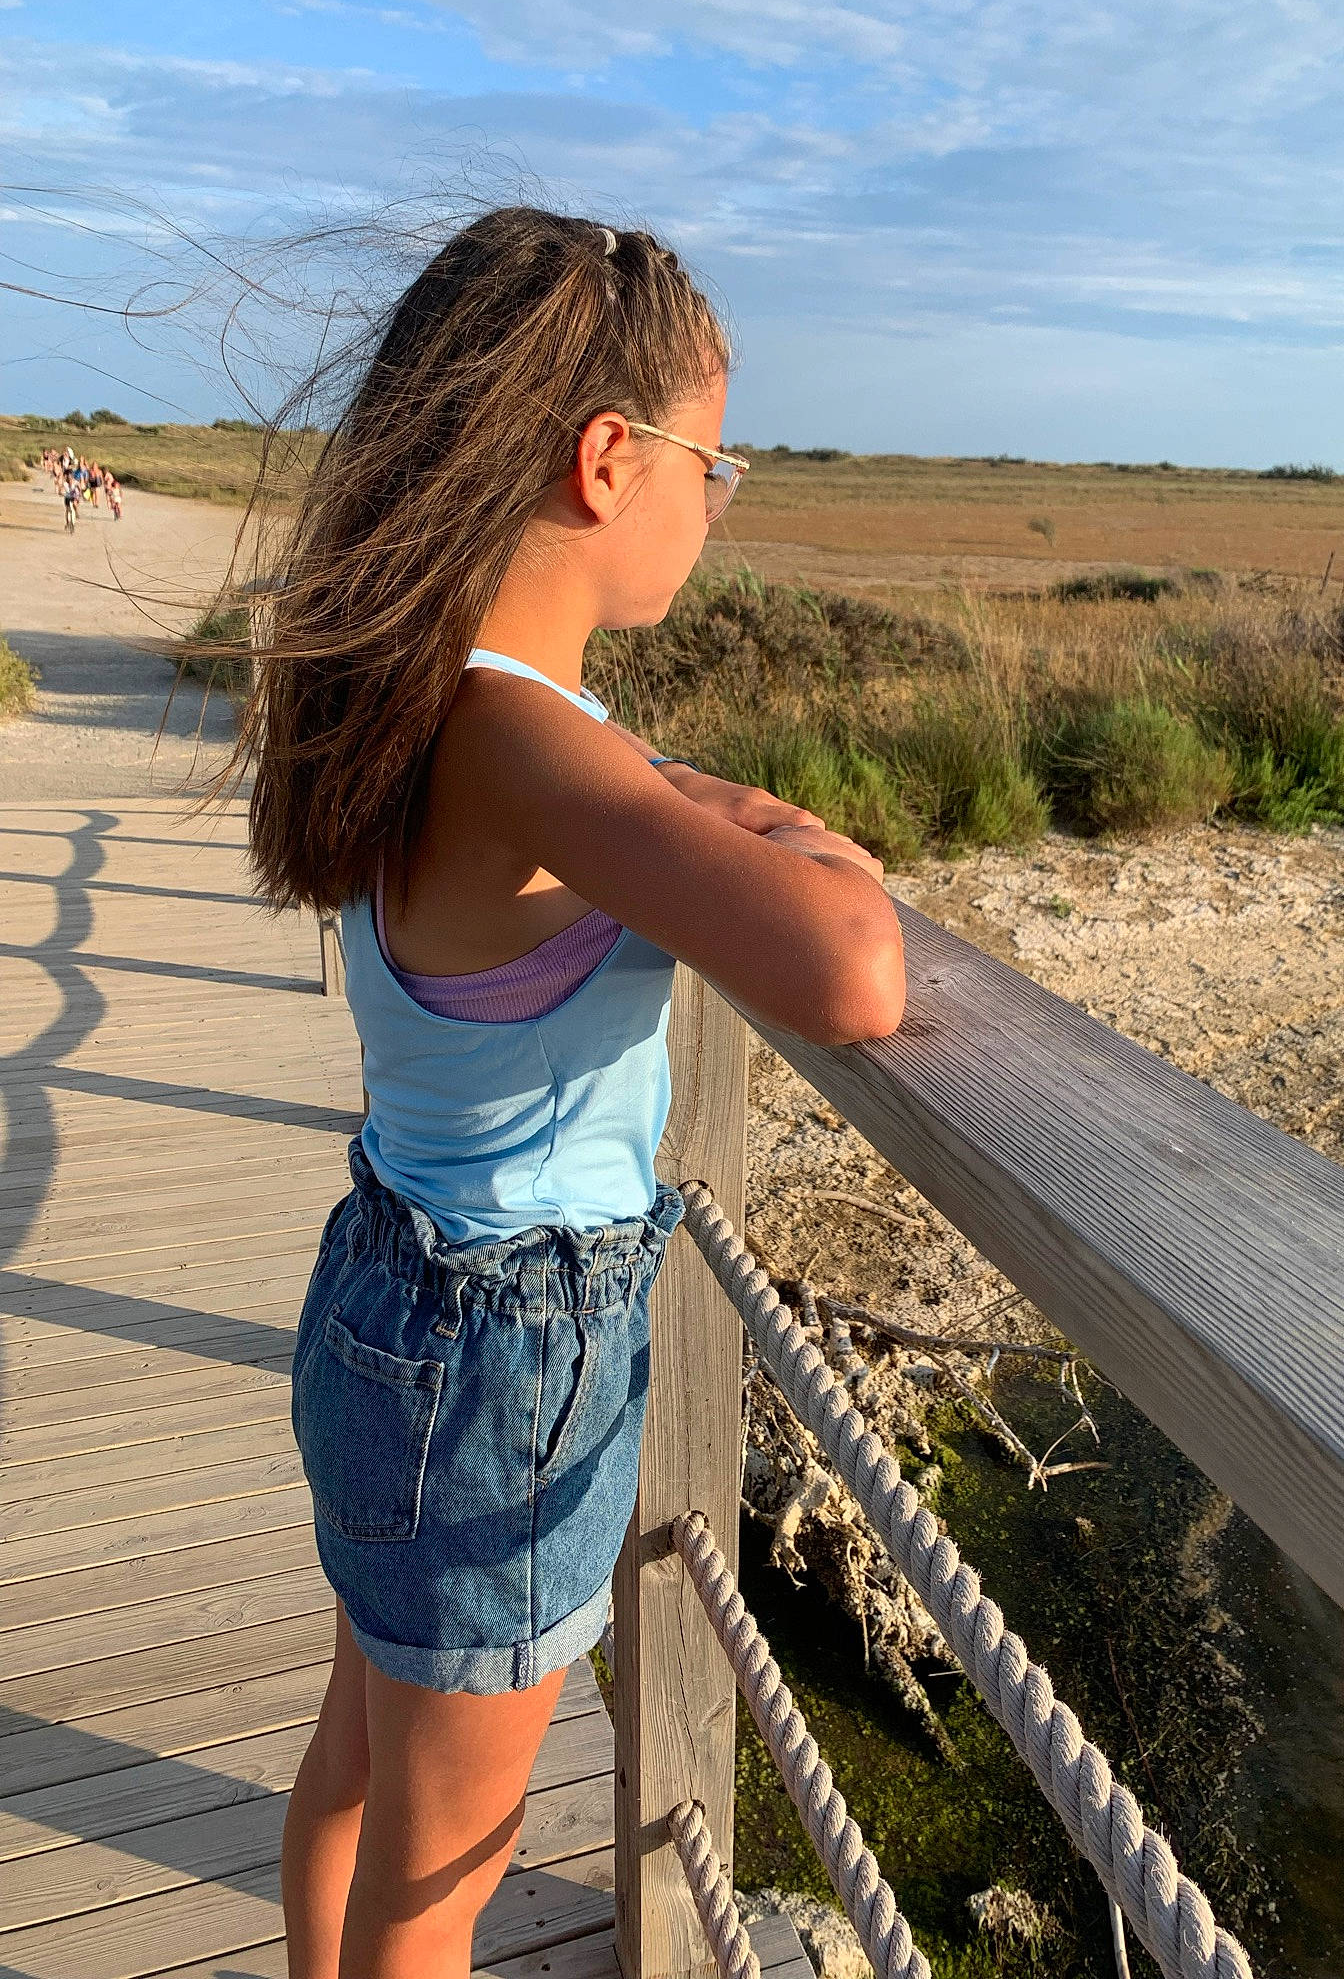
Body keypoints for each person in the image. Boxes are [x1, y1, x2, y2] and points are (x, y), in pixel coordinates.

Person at [231, 207, 906, 1978]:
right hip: (501, 1357)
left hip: (398, 1287)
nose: (718, 499)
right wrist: (771, 828)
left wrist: (691, 806)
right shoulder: (528, 738)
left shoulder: (439, 697)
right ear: (612, 462)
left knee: (363, 1779)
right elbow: (849, 965)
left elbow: (655, 806)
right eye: (717, 461)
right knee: (442, 1881)